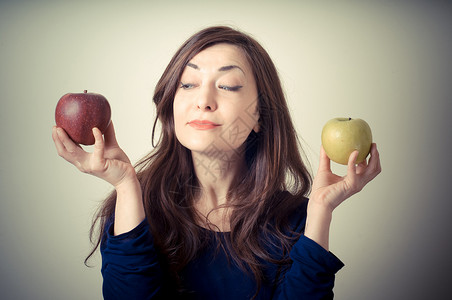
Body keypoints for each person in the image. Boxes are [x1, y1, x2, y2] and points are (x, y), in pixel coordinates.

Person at [52, 26, 381, 299]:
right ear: (171, 103)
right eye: (188, 84)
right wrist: (125, 186)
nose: (203, 101)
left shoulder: (296, 220)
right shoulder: (135, 207)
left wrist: (320, 210)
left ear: (259, 115)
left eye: (227, 86)